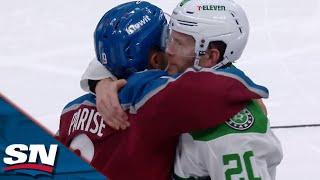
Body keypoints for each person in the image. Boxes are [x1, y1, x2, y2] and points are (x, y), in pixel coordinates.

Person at [59, 1, 277, 180]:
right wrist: (247, 89)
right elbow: (202, 88)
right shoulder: (159, 100)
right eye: (169, 39)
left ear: (210, 56)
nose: (169, 50)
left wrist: (100, 82)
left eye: (178, 42)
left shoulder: (71, 111)